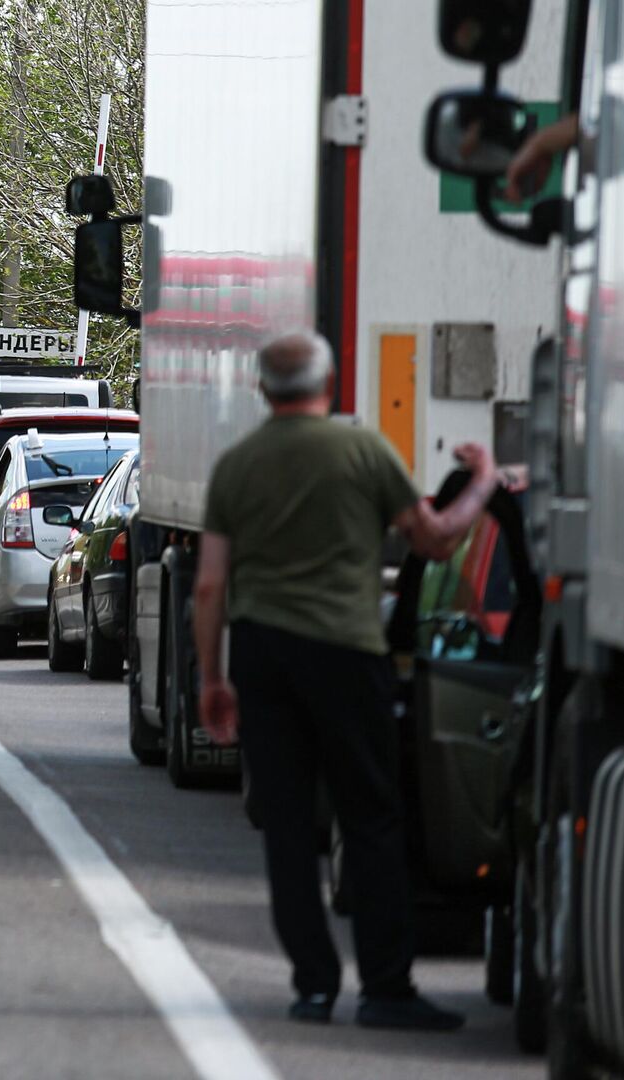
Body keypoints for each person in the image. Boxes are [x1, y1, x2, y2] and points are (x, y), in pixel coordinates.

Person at [193, 331, 499, 1031]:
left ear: (264, 391)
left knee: (288, 825)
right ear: (329, 387)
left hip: (264, 657)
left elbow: (210, 588)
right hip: (345, 652)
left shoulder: (236, 467)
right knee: (370, 817)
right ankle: (386, 988)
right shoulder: (362, 451)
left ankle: (313, 986)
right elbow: (437, 539)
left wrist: (214, 675)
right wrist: (482, 478)